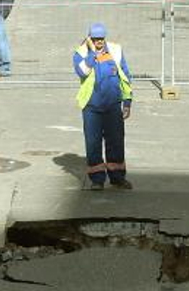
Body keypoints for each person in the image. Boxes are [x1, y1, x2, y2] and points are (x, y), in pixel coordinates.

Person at [72, 23, 133, 190]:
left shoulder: (115, 50)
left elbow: (125, 75)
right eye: (95, 39)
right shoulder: (81, 53)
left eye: (101, 39)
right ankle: (97, 180)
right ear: (89, 38)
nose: (99, 42)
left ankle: (117, 178)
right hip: (91, 107)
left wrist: (127, 101)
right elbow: (82, 72)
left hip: (113, 105)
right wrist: (92, 53)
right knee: (93, 143)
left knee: (116, 142)